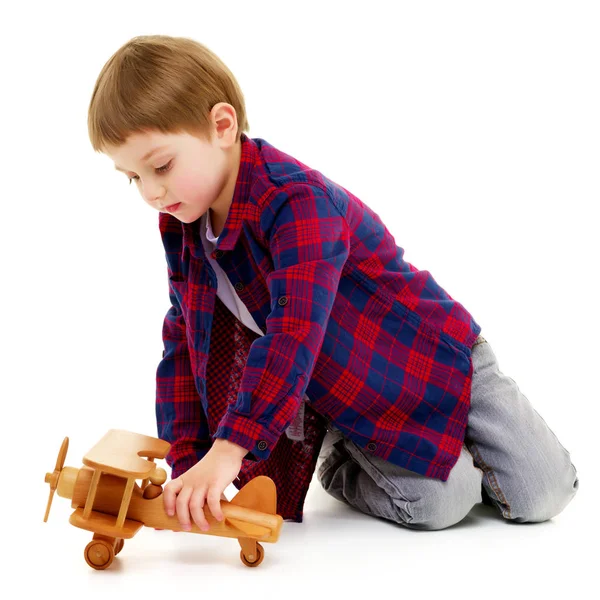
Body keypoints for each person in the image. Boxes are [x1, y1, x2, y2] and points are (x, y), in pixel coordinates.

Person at [89, 34, 579, 533]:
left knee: (545, 493)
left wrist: (230, 448)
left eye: (161, 166)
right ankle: (345, 459)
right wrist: (188, 459)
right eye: (132, 178)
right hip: (354, 395)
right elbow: (184, 338)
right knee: (439, 505)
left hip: (438, 360)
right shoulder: (182, 223)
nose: (150, 192)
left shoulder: (295, 202)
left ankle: (464, 446)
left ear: (221, 125)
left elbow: (293, 333)